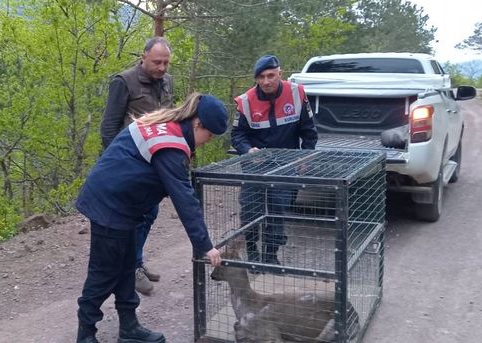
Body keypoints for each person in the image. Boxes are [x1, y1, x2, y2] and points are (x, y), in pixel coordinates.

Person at [76, 93, 226, 343]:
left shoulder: (168, 126)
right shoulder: (172, 144)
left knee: (127, 268)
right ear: (198, 123)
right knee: (104, 273)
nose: (206, 142)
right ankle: (86, 334)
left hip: (126, 207)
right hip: (110, 206)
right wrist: (205, 246)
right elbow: (184, 200)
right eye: (209, 136)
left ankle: (129, 327)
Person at [100, 37, 174, 295]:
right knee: (132, 217)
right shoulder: (124, 81)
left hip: (154, 162)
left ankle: (137, 262)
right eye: (157, 62)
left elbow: (168, 118)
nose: (162, 67)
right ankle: (130, 270)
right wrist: (114, 166)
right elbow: (109, 126)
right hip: (129, 163)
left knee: (149, 214)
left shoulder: (167, 81)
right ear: (143, 57)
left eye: (165, 62)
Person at [231, 55, 318, 265]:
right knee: (251, 210)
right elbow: (236, 135)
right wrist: (247, 150)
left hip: (285, 164)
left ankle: (271, 256)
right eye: (261, 77)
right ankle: (252, 253)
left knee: (278, 210)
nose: (266, 81)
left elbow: (309, 131)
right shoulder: (246, 101)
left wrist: (304, 155)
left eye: (271, 75)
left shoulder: (296, 93)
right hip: (255, 165)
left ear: (280, 73)